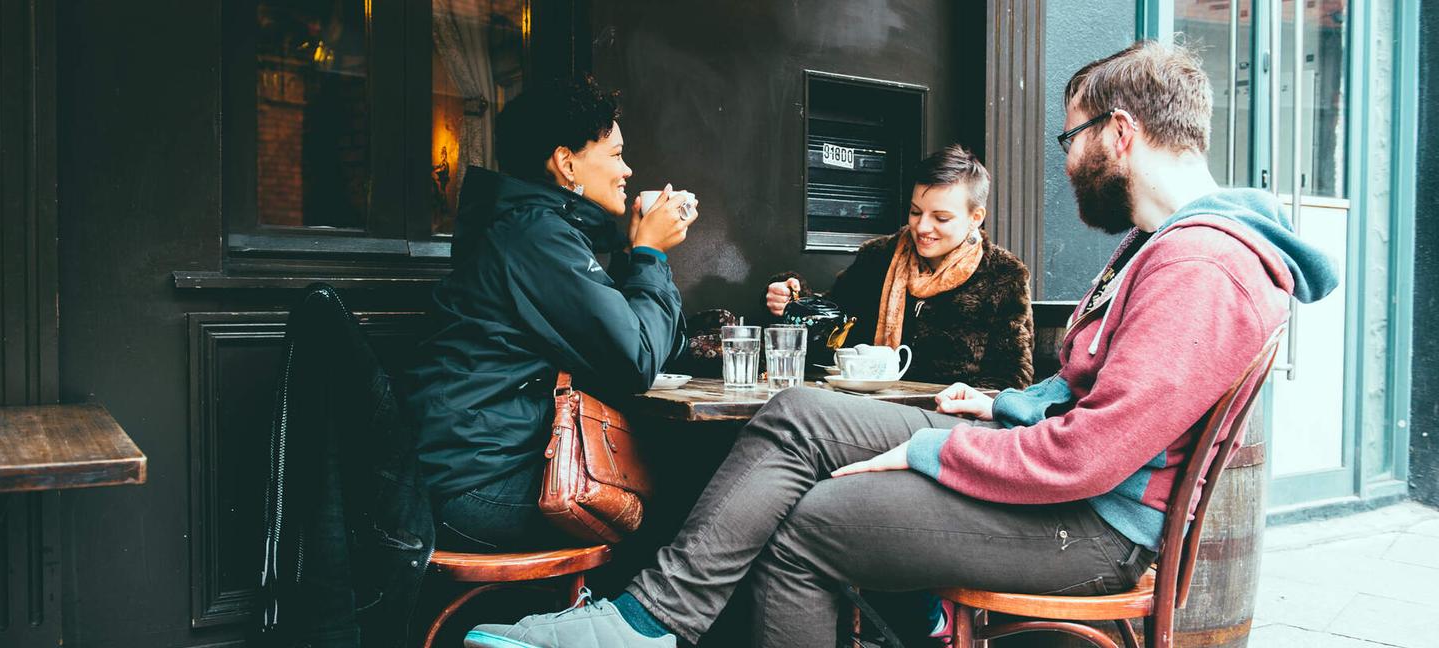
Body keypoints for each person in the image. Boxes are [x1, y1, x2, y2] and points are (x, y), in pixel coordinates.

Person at [464, 40, 1338, 648]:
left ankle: (651, 622)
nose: (1067, 159)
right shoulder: (1167, 247)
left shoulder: (1202, 265)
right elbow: (1087, 402)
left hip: (1092, 528)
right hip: (1061, 477)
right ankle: (647, 623)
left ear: (1118, 131)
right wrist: (1001, 406)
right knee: (799, 411)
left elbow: (1088, 456)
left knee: (809, 524)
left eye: (1069, 138)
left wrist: (929, 450)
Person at [405, 75, 697, 552]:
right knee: (684, 503)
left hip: (477, 468)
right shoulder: (535, 235)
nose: (627, 170)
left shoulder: (531, 229)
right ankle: (618, 603)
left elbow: (638, 343)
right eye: (616, 155)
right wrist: (650, 255)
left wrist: (635, 254)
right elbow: (636, 358)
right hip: (478, 485)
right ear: (566, 162)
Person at [766, 144, 1034, 389]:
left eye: (941, 218)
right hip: (867, 405)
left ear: (975, 217)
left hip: (947, 417)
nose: (923, 227)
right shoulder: (878, 257)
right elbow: (833, 325)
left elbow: (1011, 379)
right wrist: (794, 299)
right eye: (916, 212)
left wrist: (962, 403)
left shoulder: (1003, 276)